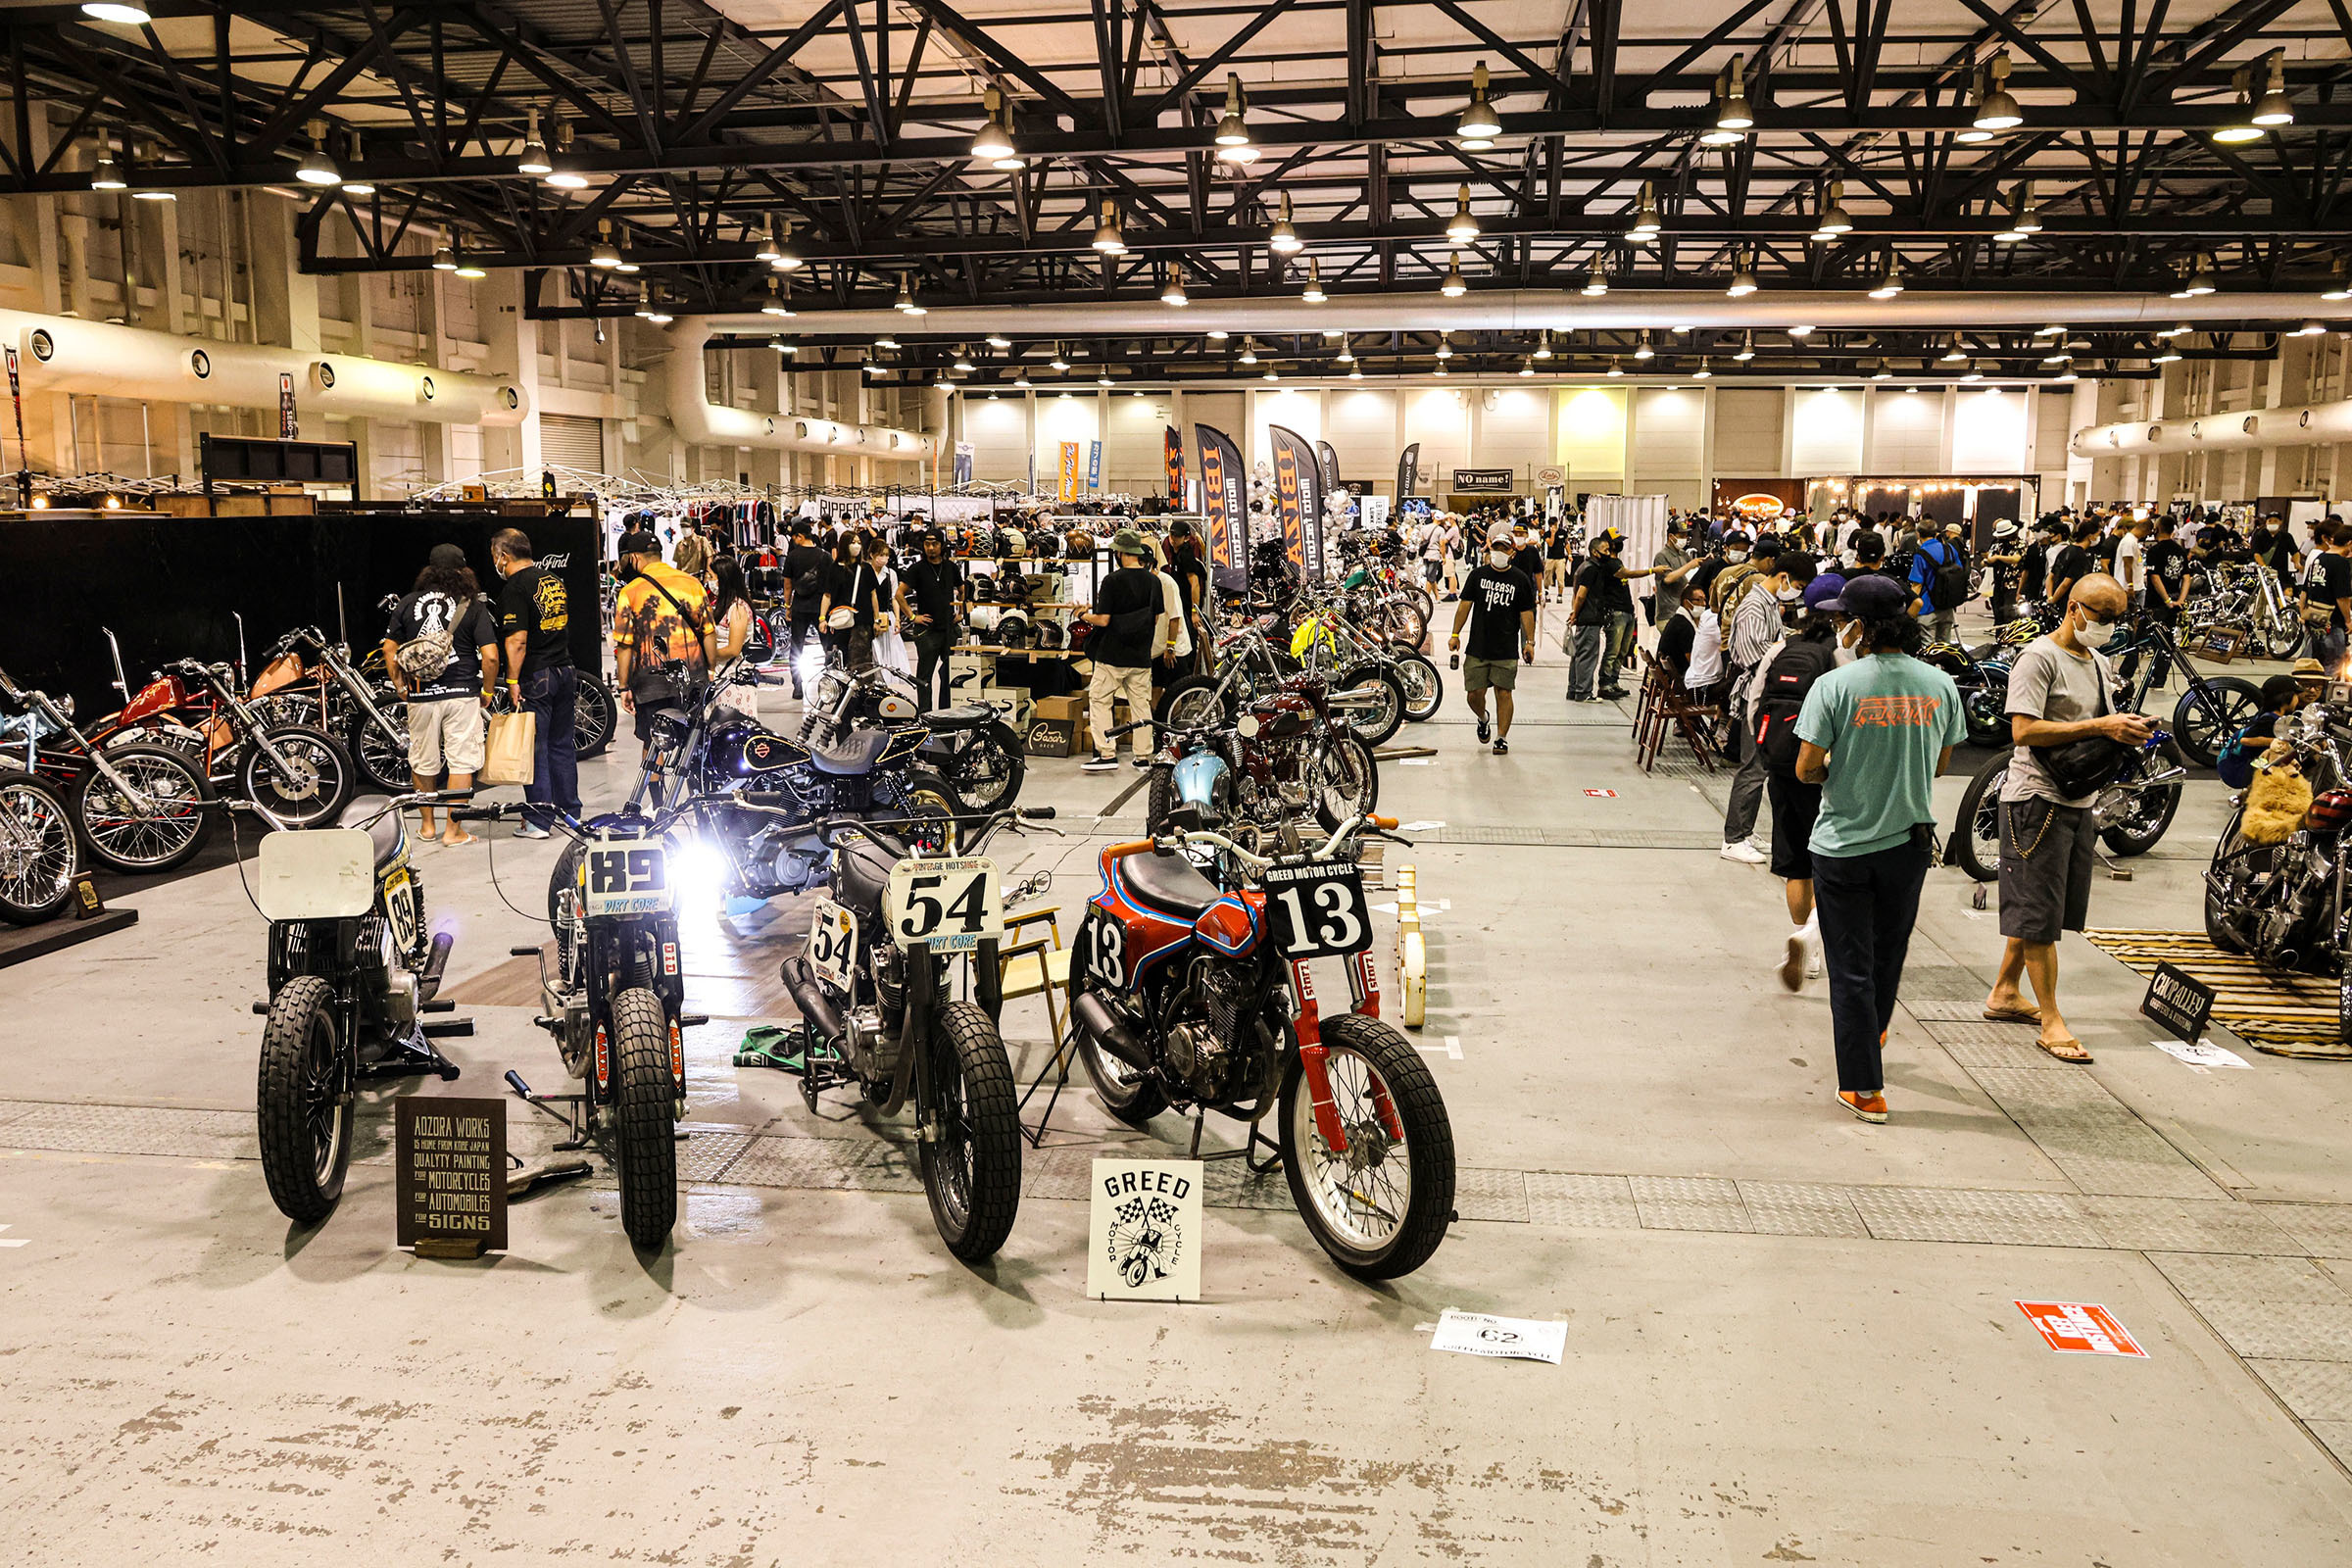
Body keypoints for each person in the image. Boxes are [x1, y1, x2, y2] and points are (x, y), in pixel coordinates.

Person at [1792, 574, 1967, 1122]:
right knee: (1888, 953)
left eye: (1844, 619)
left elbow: (1805, 768)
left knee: (1850, 967)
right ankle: (1876, 1028)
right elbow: (1941, 763)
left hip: (1842, 844)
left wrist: (1842, 769)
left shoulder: (1835, 686)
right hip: (1909, 844)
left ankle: (1864, 1087)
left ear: (1860, 627)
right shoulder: (1939, 684)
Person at [1981, 573, 2146, 1064]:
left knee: (2047, 908)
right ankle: (2052, 1020)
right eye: (2101, 615)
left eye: (2117, 617)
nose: (2109, 626)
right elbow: (2024, 731)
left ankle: (2006, 991)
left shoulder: (2096, 660)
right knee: (2038, 920)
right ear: (2073, 609)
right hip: (2036, 801)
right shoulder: (2038, 658)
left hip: (2077, 800)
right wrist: (2100, 725)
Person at [1746, 576, 1844, 988]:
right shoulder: (1841, 657)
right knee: (1831, 861)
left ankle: (1805, 941)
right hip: (1824, 772)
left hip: (1783, 767)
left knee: (1795, 863)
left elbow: (1755, 703)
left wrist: (1769, 752)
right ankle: (1816, 940)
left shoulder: (1779, 649)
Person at [383, 543, 499, 845]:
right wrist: (486, 689)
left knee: (423, 760)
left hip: (421, 694)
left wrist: (400, 686)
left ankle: (428, 827)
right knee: (461, 761)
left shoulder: (408, 603)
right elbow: (490, 656)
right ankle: (454, 830)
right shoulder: (472, 604)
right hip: (461, 692)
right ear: (463, 571)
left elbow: (389, 649)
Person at [1719, 552, 1815, 863]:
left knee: (1761, 766)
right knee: (1753, 767)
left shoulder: (1771, 604)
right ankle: (1733, 839)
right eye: (1798, 584)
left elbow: (1773, 643)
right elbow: (1752, 654)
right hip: (1755, 696)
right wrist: (1788, 659)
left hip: (1768, 695)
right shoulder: (1753, 606)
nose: (1798, 591)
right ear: (1783, 576)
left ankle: (1745, 831)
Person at [491, 528, 578, 840]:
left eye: (494, 555)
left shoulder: (515, 587)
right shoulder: (552, 580)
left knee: (535, 749)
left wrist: (512, 679)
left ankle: (539, 820)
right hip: (565, 670)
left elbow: (517, 639)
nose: (495, 562)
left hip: (537, 675)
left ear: (503, 555)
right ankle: (570, 813)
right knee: (561, 746)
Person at [611, 529, 719, 779]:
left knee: (653, 743)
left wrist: (624, 686)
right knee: (694, 743)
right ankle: (699, 802)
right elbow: (709, 632)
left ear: (635, 558)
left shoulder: (631, 592)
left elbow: (625, 646)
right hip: (693, 679)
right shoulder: (692, 584)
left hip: (651, 682)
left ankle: (658, 806)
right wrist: (710, 671)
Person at [1082, 529, 1166, 772]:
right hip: (1140, 655)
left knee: (1100, 700)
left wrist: (1083, 615)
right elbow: (1157, 616)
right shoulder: (1154, 581)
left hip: (1111, 655)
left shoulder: (1112, 581)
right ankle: (1142, 757)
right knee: (1140, 705)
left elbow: (1104, 620)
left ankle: (1107, 754)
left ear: (1120, 553)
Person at [1447, 529, 1539, 753]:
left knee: (1504, 692)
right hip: (1478, 647)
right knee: (1473, 695)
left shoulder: (1520, 580)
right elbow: (1464, 606)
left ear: (1512, 553)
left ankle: (1501, 737)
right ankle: (1483, 717)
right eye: (1496, 548)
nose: (1499, 552)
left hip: (1506, 648)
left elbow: (1527, 612)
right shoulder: (1477, 576)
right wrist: (1455, 634)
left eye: (1504, 549)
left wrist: (1530, 642)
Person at [1566, 530, 1657, 702]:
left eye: (1609, 549)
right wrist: (1575, 613)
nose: (1608, 553)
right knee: (1590, 655)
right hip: (1593, 617)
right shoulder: (1594, 568)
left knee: (1585, 654)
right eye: (1606, 549)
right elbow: (1580, 594)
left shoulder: (1595, 567)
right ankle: (1585, 691)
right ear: (1596, 551)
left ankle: (1577, 690)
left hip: (1596, 616)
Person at [898, 529, 964, 710]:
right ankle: (926, 717)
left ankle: (947, 713)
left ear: (942, 545)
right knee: (924, 678)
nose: (930, 548)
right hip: (927, 632)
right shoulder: (917, 569)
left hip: (949, 629)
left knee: (951, 674)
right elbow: (899, 594)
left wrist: (961, 612)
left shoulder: (950, 567)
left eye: (934, 544)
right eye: (927, 544)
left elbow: (963, 589)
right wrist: (913, 617)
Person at [819, 530, 890, 671]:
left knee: (860, 662)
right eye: (853, 542)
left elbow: (873, 595)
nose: (857, 546)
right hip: (839, 622)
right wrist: (822, 618)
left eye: (859, 543)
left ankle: (860, 691)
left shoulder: (866, 568)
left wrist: (877, 620)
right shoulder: (834, 568)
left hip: (862, 622)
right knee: (839, 660)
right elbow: (827, 595)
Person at [780, 521, 833, 697]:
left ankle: (797, 685)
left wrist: (787, 606)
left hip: (800, 606)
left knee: (796, 647)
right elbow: (831, 586)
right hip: (821, 608)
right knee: (828, 646)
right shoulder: (825, 556)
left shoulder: (792, 556)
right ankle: (831, 682)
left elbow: (787, 585)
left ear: (799, 537)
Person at [2299, 519, 2352, 673]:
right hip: (2332, 620)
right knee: (2333, 662)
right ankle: (2323, 694)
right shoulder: (2341, 563)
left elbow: (2306, 588)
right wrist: (2348, 620)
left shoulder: (2319, 558)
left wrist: (2302, 610)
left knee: (2315, 659)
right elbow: (2342, 597)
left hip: (2314, 617)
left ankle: (2309, 689)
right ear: (2349, 542)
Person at [1908, 521, 1969, 645]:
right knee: (1944, 648)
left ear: (1918, 534)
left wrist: (1910, 611)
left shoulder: (1920, 554)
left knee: (1928, 649)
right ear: (1936, 533)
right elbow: (1959, 571)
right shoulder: (1950, 549)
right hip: (1947, 607)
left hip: (1927, 608)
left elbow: (1917, 585)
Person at [709, 554, 756, 663]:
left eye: (712, 577)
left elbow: (733, 650)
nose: (709, 581)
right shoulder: (721, 603)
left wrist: (707, 655)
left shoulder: (738, 608)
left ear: (723, 579)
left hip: (729, 671)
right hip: (717, 667)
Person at [1984, 520, 2025, 627]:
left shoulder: (2020, 544)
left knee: (2009, 613)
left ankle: (2010, 638)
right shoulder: (1997, 544)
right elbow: (1988, 559)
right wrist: (1987, 560)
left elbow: (2016, 559)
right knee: (1998, 614)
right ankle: (1999, 638)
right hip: (1997, 582)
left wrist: (1997, 557)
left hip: (2012, 583)